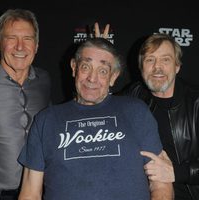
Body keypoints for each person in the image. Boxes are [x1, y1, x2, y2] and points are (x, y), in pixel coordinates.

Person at [18, 38, 173, 200]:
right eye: (86, 67)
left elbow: (161, 185)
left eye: (103, 71)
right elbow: (30, 193)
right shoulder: (46, 120)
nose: (92, 78)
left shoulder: (136, 112)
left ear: (114, 77)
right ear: (74, 67)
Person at [121, 33, 199, 200]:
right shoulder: (134, 94)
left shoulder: (196, 103)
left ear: (177, 66)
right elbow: (101, 103)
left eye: (165, 60)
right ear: (141, 67)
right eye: (150, 60)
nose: (157, 67)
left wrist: (174, 172)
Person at [0, 9, 51, 199]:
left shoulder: (44, 80)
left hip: (39, 190)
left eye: (28, 39)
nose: (20, 47)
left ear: (36, 46)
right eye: (11, 38)